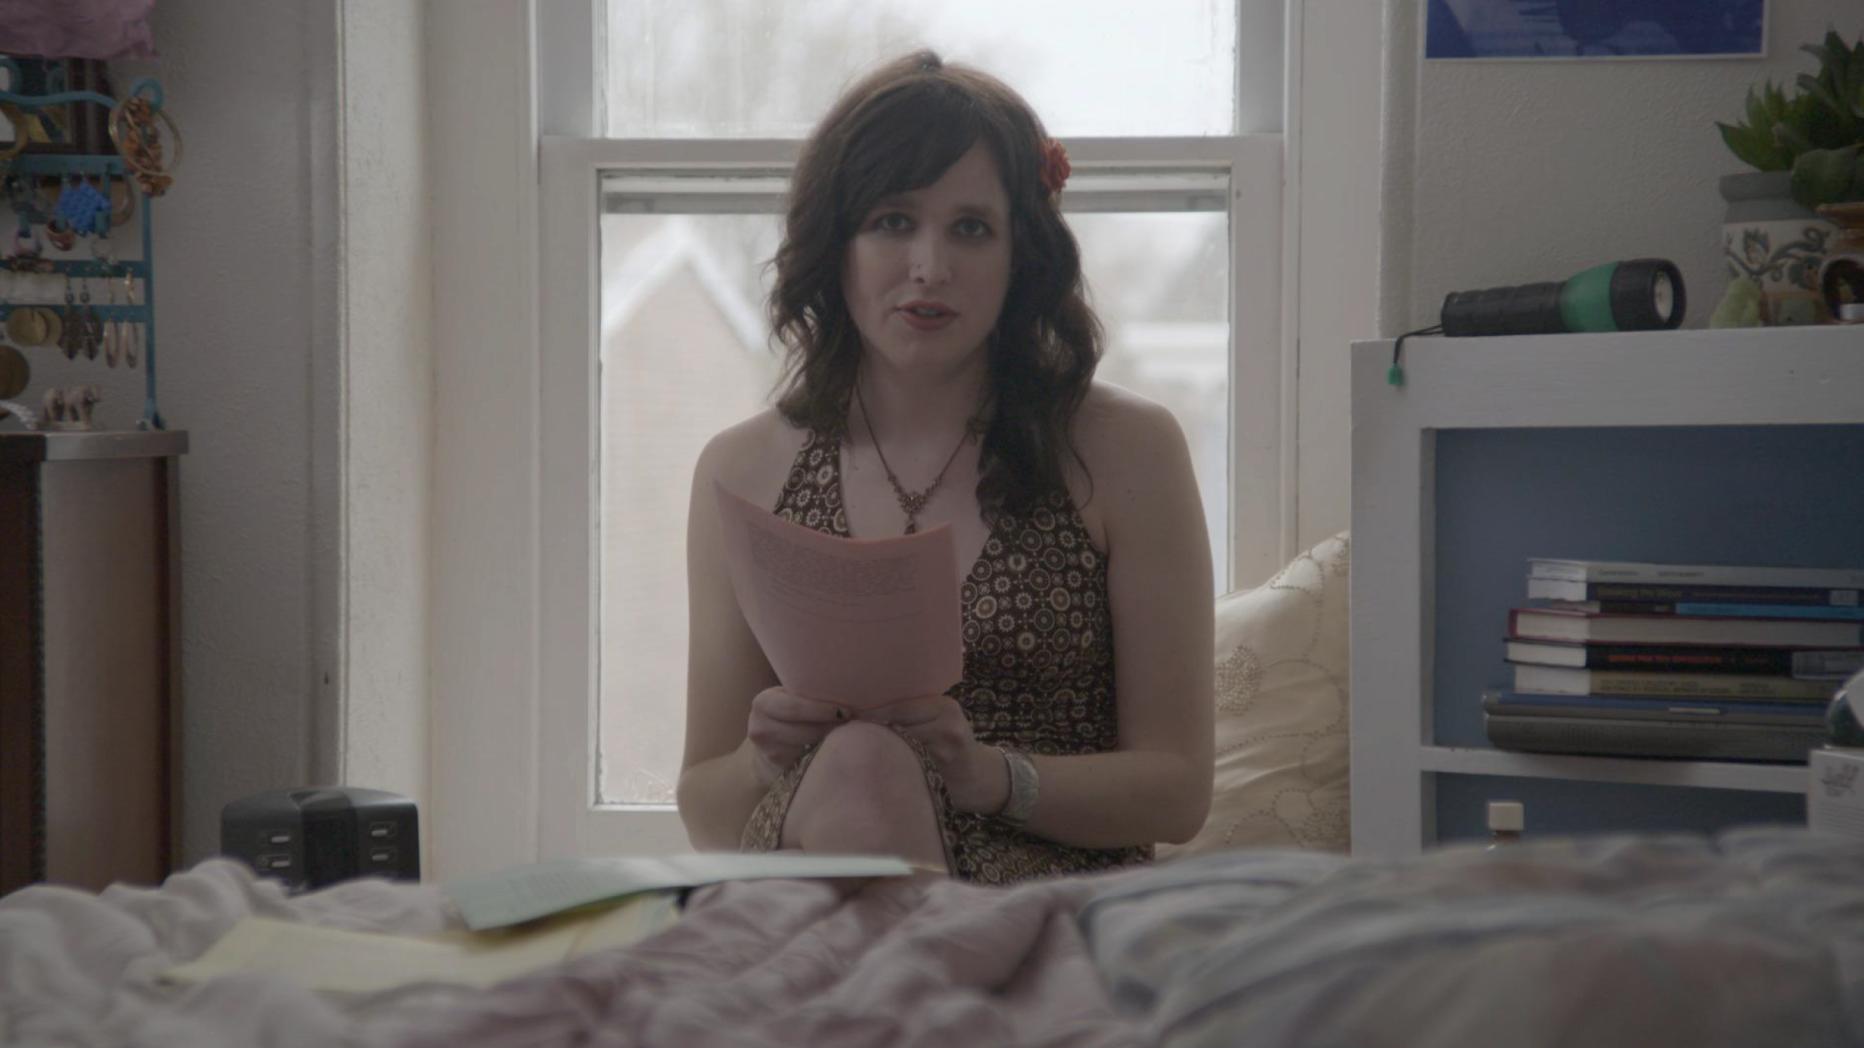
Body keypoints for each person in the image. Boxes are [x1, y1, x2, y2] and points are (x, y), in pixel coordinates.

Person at [676, 50, 1214, 884]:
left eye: (970, 227)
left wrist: (991, 777)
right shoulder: (745, 470)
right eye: (893, 221)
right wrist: (761, 758)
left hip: (1048, 902)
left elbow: (1178, 792)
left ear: (1020, 256)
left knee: (864, 766)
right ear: (837, 244)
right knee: (859, 766)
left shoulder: (1125, 451)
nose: (930, 266)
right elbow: (707, 812)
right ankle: (912, 998)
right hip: (827, 881)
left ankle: (919, 997)